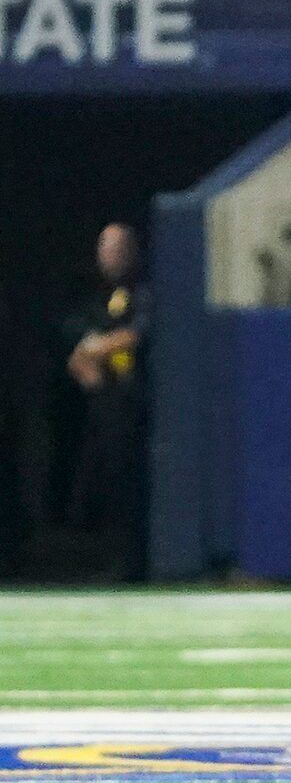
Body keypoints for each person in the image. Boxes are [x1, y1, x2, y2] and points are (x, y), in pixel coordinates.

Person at [59, 223, 146, 576]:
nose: (110, 256)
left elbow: (139, 332)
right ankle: (112, 556)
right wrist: (84, 355)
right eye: (105, 249)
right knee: (104, 479)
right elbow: (74, 333)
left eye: (118, 249)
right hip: (104, 402)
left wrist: (98, 349)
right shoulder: (93, 294)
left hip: (138, 402)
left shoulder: (146, 288)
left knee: (132, 480)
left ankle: (138, 561)